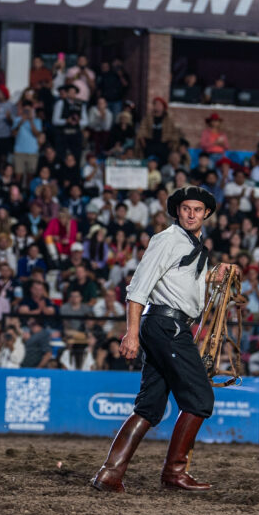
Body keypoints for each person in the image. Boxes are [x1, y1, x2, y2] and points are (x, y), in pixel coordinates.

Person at [91, 185, 233, 494]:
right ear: (178, 212)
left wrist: (212, 278)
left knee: (150, 407)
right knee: (200, 398)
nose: (191, 214)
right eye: (186, 209)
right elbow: (138, 287)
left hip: (166, 325)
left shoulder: (190, 244)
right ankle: (174, 472)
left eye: (197, 209)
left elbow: (185, 289)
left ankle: (109, 474)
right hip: (165, 326)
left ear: (206, 213)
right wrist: (131, 333)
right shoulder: (167, 240)